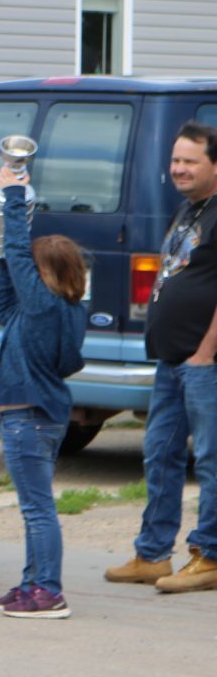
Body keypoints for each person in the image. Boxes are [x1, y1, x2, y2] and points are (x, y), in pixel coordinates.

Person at [107, 121, 217, 593]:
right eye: (175, 160)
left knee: (211, 459)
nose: (179, 169)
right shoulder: (190, 211)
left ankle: (209, 555)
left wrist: (204, 352)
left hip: (203, 363)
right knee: (160, 455)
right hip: (172, 361)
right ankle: (153, 554)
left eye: (190, 161)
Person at [0, 167, 88, 619]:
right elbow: (1, 303)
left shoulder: (45, 306)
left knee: (37, 508)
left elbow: (17, 255)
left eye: (32, 267)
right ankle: (31, 583)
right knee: (34, 506)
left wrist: (13, 194)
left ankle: (48, 590)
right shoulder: (62, 310)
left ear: (45, 273)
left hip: (27, 415)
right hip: (37, 414)